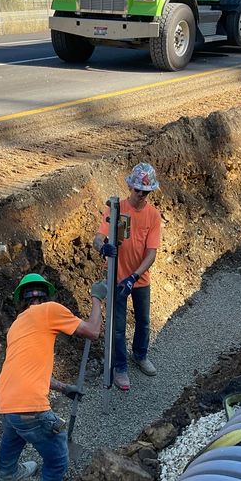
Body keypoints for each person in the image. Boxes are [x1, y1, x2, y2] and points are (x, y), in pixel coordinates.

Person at [0, 273, 106, 481]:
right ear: (46, 296)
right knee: (57, 461)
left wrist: (62, 387)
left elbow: (27, 370)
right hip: (29, 407)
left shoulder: (16, 326)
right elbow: (92, 331)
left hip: (6, 401)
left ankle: (6, 474)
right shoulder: (49, 310)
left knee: (13, 435)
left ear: (21, 301)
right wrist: (97, 299)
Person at [93, 162, 162, 392]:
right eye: (138, 190)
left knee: (143, 322)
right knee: (118, 326)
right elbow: (98, 237)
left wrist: (134, 276)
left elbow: (151, 253)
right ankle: (120, 367)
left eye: (146, 192)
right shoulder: (116, 209)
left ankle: (140, 355)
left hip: (139, 279)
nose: (141, 195)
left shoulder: (153, 216)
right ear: (130, 187)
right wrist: (102, 247)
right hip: (117, 277)